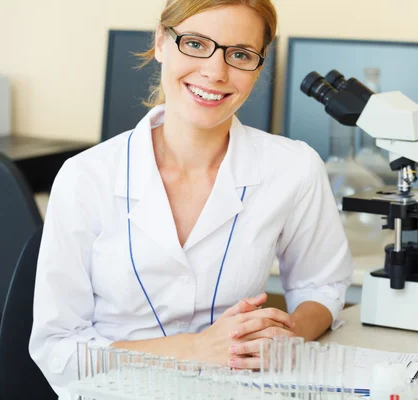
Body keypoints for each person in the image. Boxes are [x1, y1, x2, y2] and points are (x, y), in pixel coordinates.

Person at [29, 0, 353, 397]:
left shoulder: (293, 168)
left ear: (259, 65)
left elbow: (323, 285)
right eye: (196, 44)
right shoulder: (87, 177)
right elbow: (58, 349)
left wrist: (283, 338)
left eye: (239, 54)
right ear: (161, 43)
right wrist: (196, 350)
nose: (215, 72)